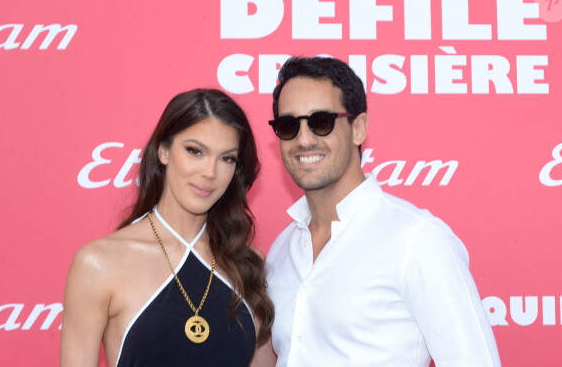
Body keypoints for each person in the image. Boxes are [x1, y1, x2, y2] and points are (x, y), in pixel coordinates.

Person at [265, 56, 501, 367]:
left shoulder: (417, 239)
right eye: (289, 125)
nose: (304, 139)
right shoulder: (281, 251)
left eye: (321, 121)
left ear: (358, 129)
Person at [61, 89, 275, 366]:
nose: (210, 172)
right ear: (163, 151)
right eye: (195, 151)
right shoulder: (100, 263)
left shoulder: (248, 265)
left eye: (227, 158)